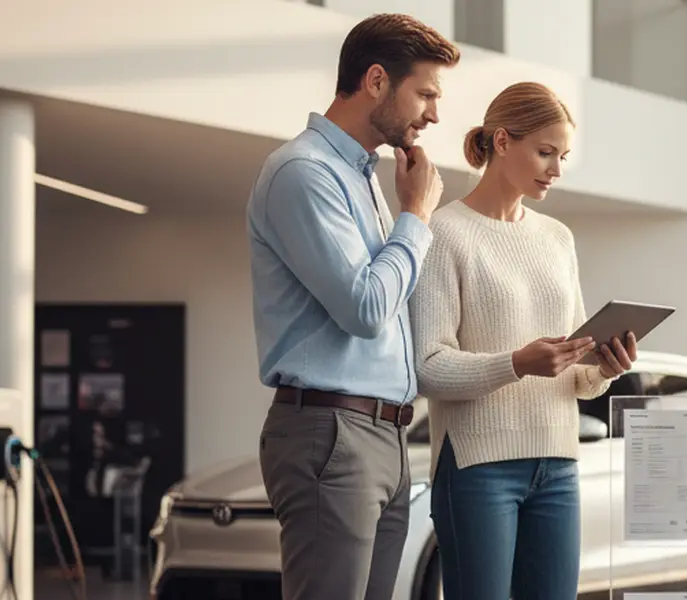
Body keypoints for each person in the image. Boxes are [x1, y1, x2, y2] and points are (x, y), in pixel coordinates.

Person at [244, 13, 459, 600]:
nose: (434, 114)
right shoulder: (303, 171)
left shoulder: (361, 177)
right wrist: (415, 216)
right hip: (331, 431)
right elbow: (365, 307)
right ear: (375, 81)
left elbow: (391, 307)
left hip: (384, 434)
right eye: (426, 94)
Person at [410, 81, 638, 600]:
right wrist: (515, 363)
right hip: (475, 468)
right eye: (545, 152)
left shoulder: (558, 238)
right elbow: (428, 366)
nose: (556, 169)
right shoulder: (444, 233)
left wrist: (605, 366)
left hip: (558, 464)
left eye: (563, 155)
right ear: (504, 141)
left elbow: (579, 381)